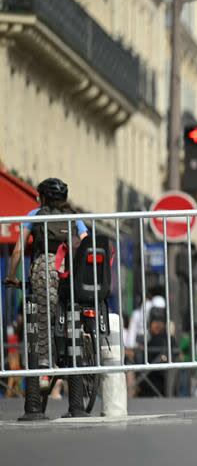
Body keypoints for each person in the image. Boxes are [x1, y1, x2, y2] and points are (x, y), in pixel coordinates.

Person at [5, 177, 90, 418]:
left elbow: (19, 249)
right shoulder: (74, 217)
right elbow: (85, 244)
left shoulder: (35, 214)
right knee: (69, 319)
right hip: (70, 273)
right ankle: (75, 374)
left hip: (44, 271)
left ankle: (42, 374)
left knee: (41, 321)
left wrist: (12, 275)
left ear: (42, 197)